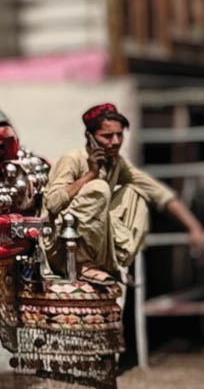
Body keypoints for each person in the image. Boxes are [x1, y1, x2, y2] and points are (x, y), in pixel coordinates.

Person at [43, 102, 204, 281]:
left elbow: (158, 192)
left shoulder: (117, 164)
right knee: (99, 188)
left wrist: (194, 228)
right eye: (107, 136)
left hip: (97, 245)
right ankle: (83, 265)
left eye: (119, 135)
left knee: (135, 194)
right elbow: (52, 203)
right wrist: (90, 175)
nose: (116, 142)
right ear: (90, 137)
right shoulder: (73, 159)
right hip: (62, 245)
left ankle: (113, 263)